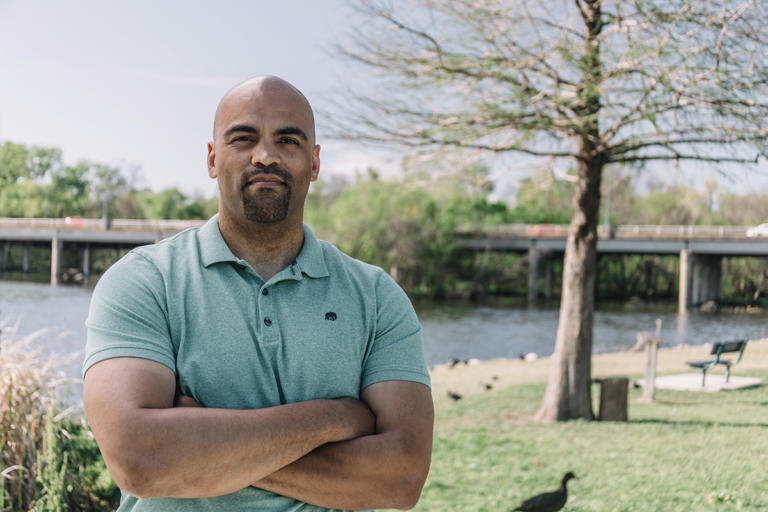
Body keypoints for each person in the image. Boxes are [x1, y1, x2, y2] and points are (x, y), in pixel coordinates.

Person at [83, 76, 434, 511]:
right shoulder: (144, 281)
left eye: (288, 140)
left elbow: (401, 480)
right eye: (243, 138)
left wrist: (201, 445)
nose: (265, 155)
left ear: (315, 162)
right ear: (213, 159)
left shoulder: (377, 296)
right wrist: (333, 417)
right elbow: (139, 459)